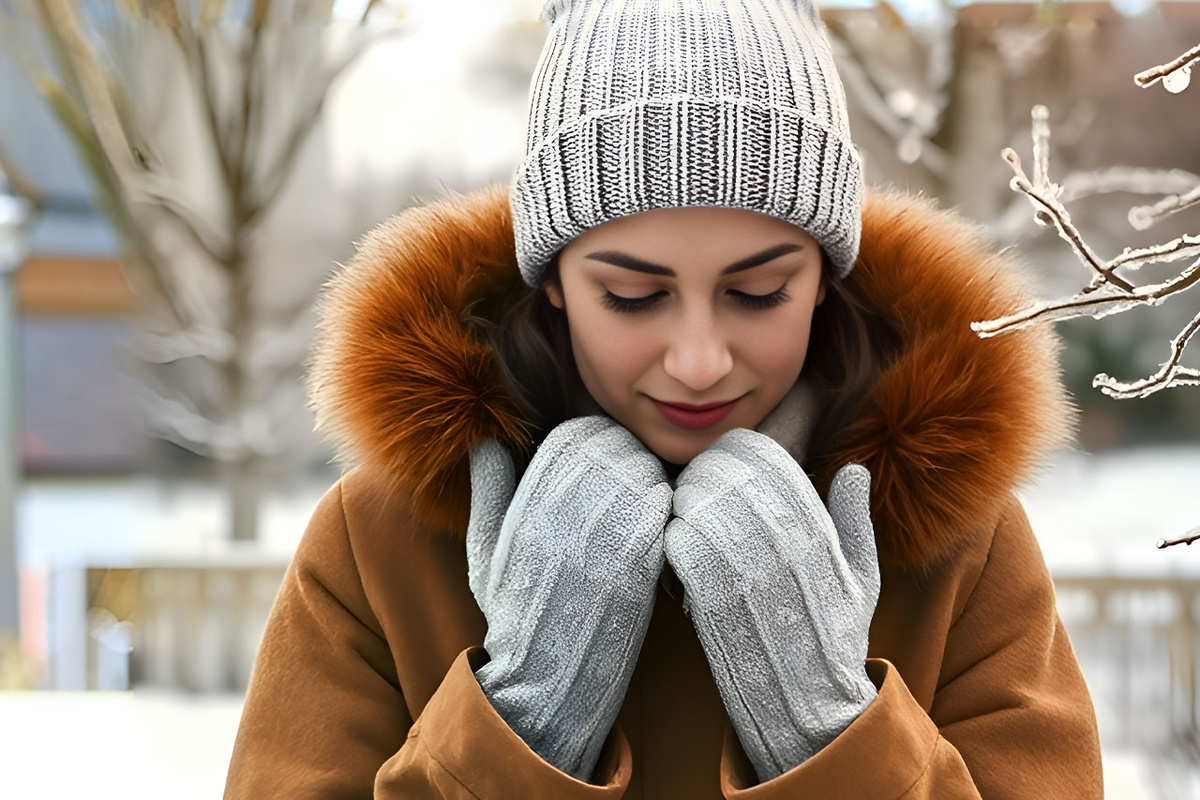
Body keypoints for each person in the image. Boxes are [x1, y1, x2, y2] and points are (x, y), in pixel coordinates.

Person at [224, 0, 1103, 796]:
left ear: (826, 281)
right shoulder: (379, 548)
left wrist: (831, 733)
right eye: (633, 297)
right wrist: (521, 723)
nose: (697, 361)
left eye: (758, 293)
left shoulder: (962, 549)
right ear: (556, 281)